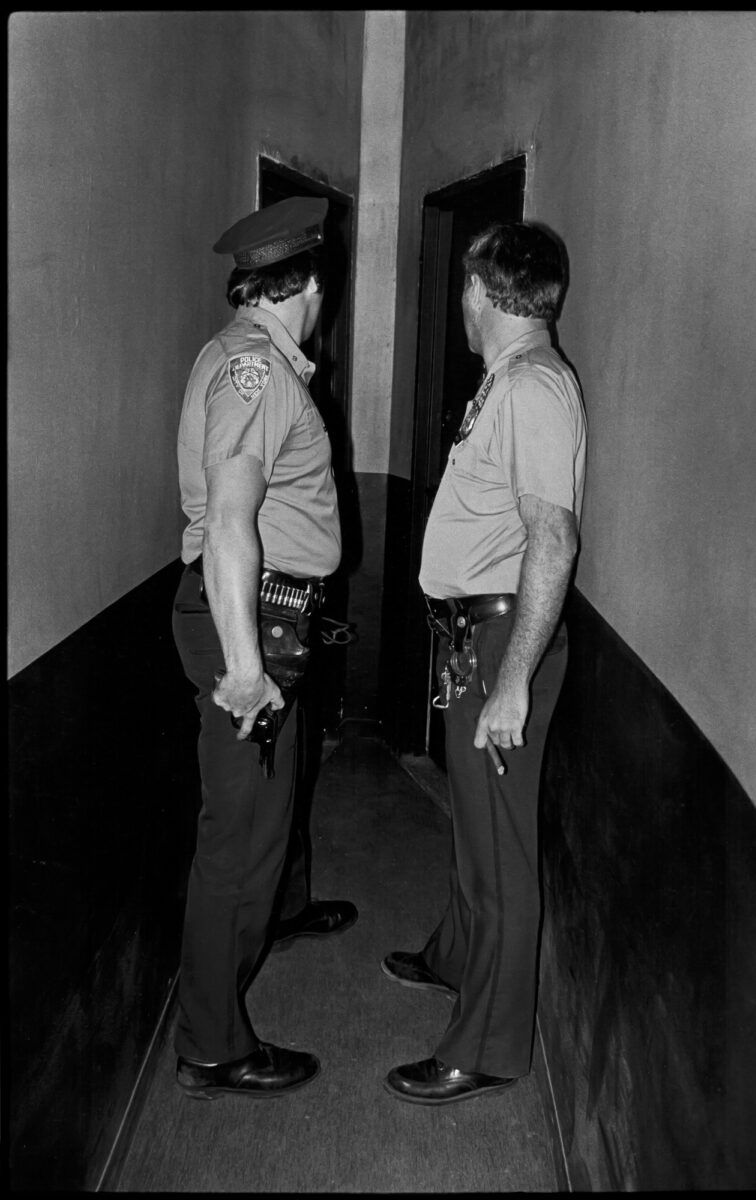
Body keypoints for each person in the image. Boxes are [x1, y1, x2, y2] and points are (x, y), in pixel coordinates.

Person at [382, 221, 586, 1105]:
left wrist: (512, 685)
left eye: (465, 285)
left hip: (508, 644)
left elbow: (553, 539)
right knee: (474, 826)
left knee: (502, 854)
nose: (460, 301)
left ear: (486, 292)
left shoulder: (536, 388)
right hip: (478, 634)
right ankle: (454, 955)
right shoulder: (505, 382)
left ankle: (488, 1049)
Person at [172, 195, 357, 1100]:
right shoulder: (258, 373)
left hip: (268, 615)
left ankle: (273, 916)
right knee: (239, 840)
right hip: (248, 622)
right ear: (310, 285)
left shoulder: (235, 353)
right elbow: (232, 523)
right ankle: (212, 1042)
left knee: (261, 821)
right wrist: (246, 667)